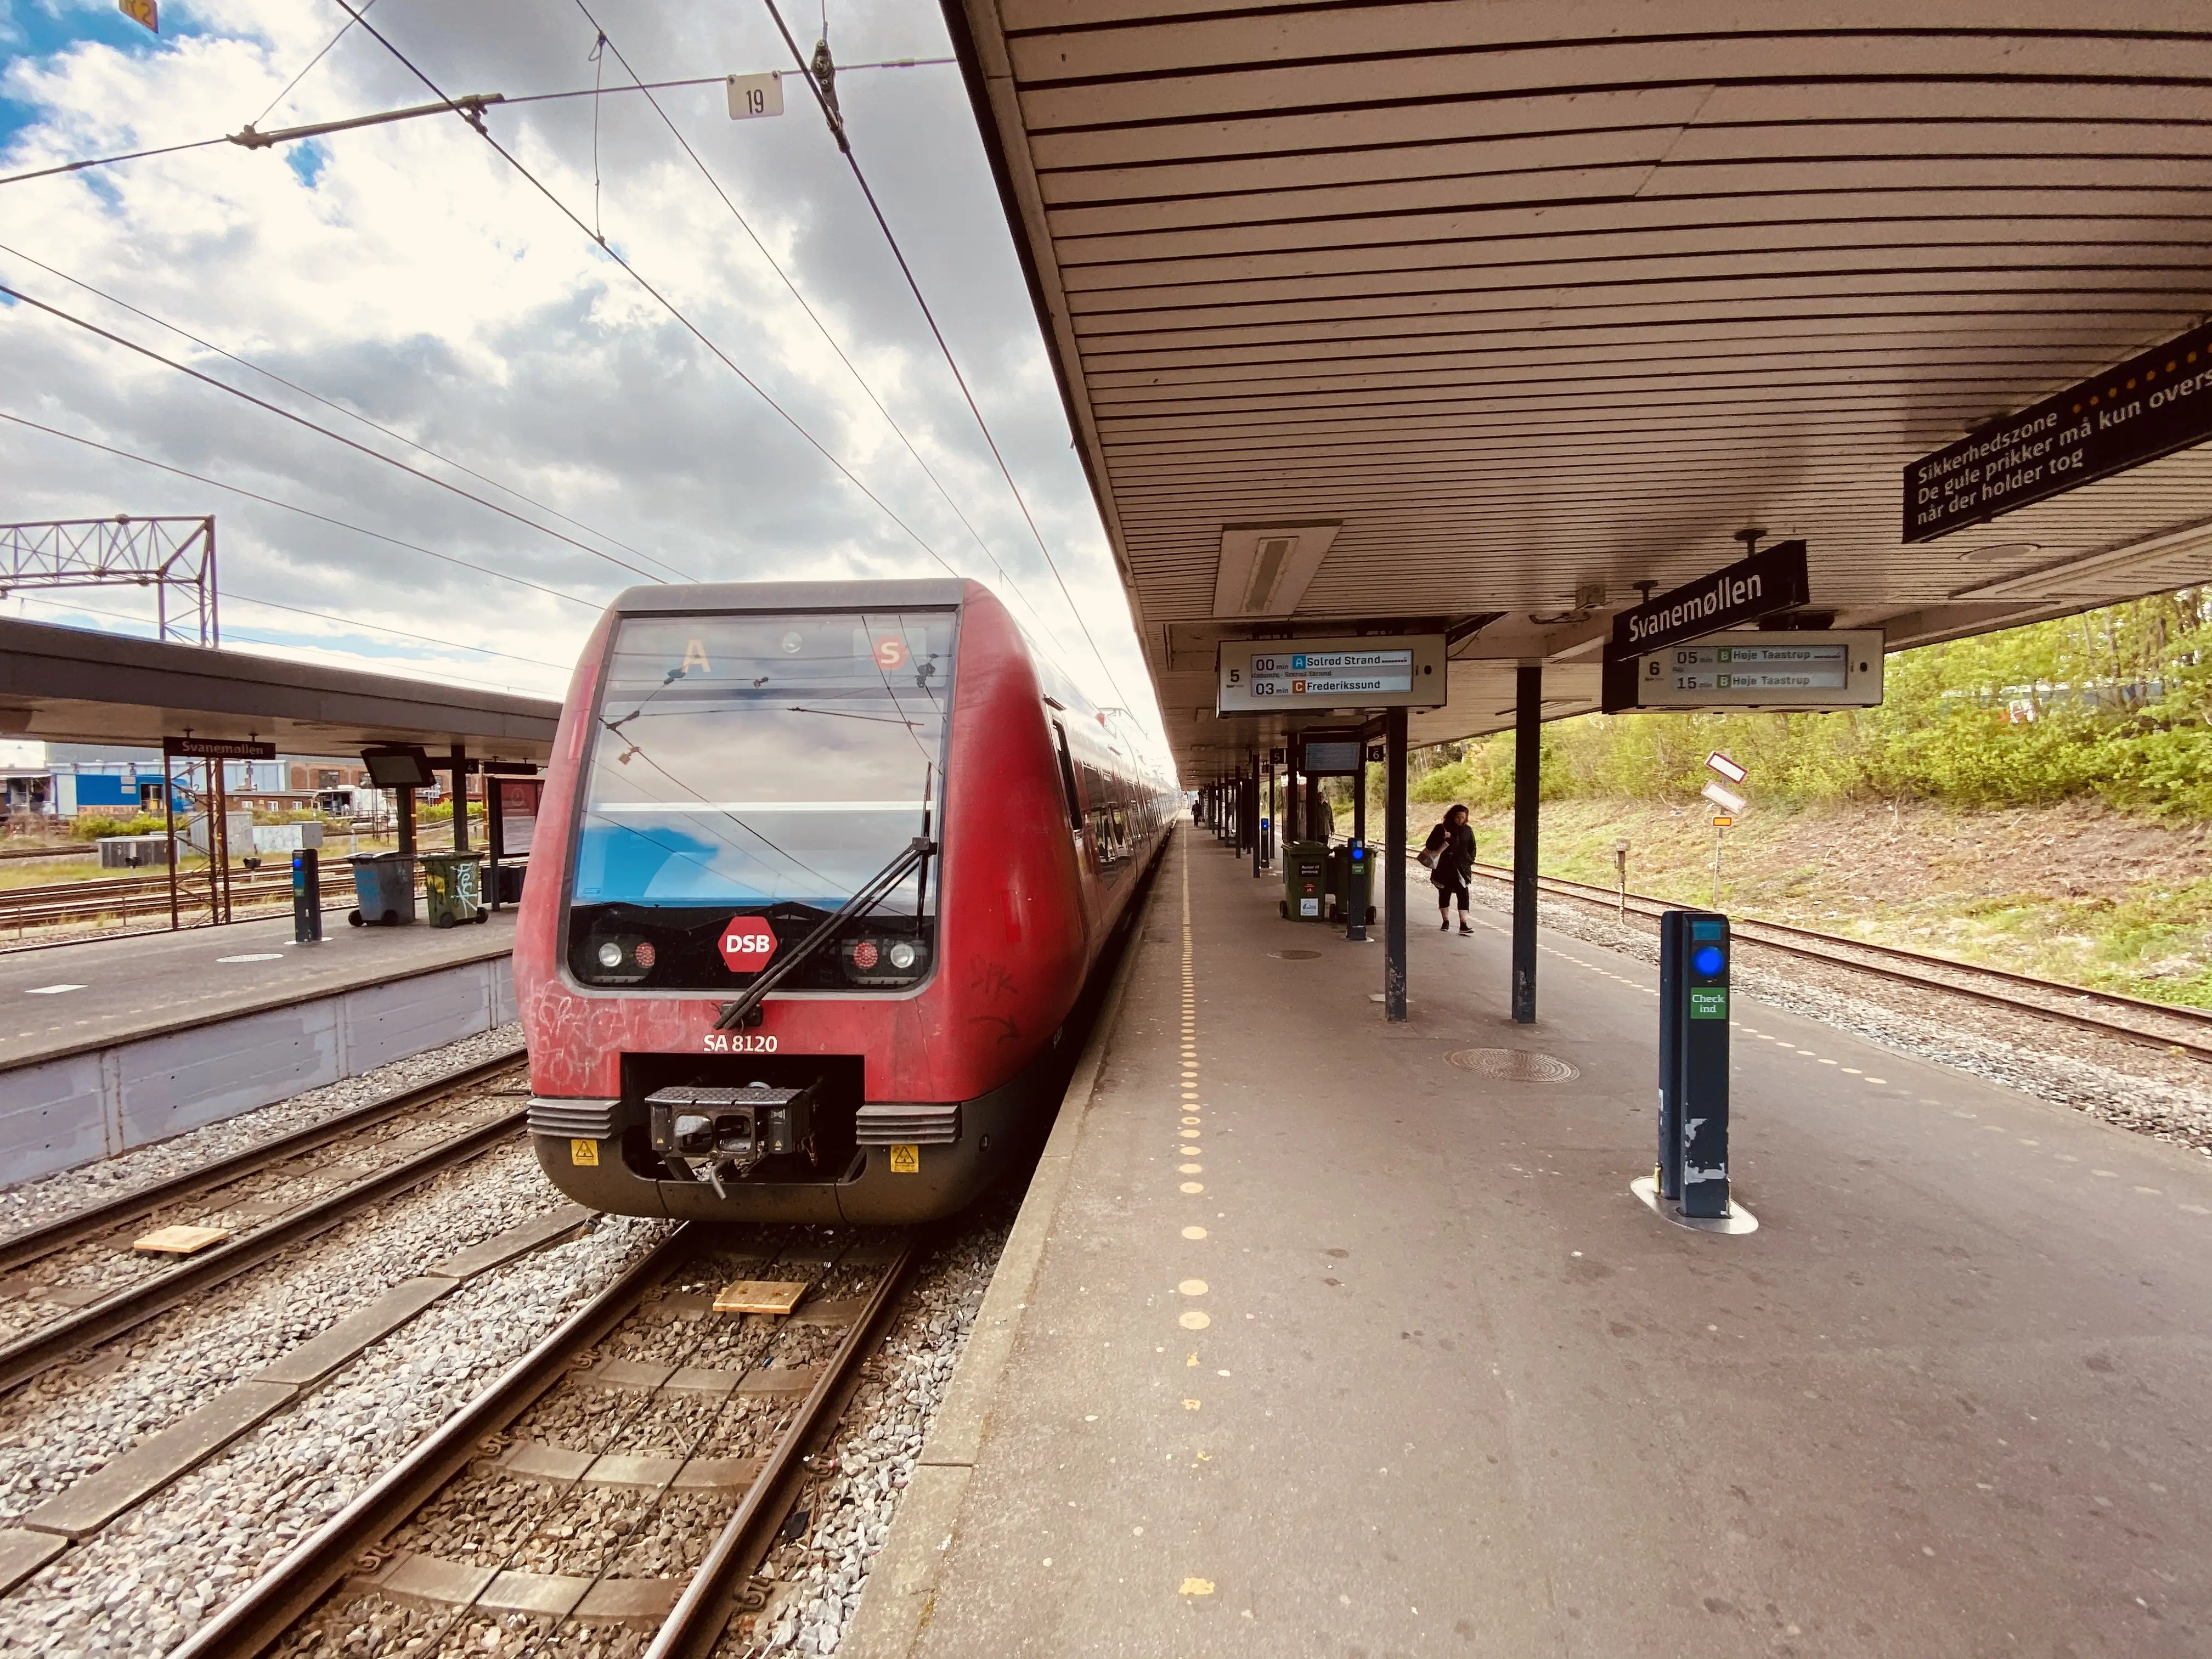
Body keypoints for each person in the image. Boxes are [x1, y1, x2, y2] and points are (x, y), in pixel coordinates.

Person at [1424, 804, 1476, 934]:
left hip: (1461, 868)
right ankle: (1445, 921)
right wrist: (1443, 838)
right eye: (1458, 817)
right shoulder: (1441, 828)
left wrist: (1469, 861)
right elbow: (1429, 845)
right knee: (1445, 893)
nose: (1461, 820)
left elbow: (1472, 847)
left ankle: (1464, 924)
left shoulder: (1467, 830)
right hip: (1444, 867)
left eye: (1463, 818)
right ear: (1452, 816)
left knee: (1463, 894)